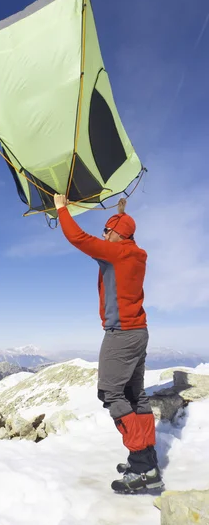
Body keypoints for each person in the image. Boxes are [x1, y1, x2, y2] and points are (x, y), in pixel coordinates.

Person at [53, 193, 164, 494]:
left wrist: (62, 209)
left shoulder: (117, 253)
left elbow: (79, 238)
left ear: (117, 233)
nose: (103, 234)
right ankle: (146, 460)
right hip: (138, 331)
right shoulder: (134, 255)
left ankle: (143, 466)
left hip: (122, 334)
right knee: (135, 394)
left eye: (106, 230)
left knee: (111, 393)